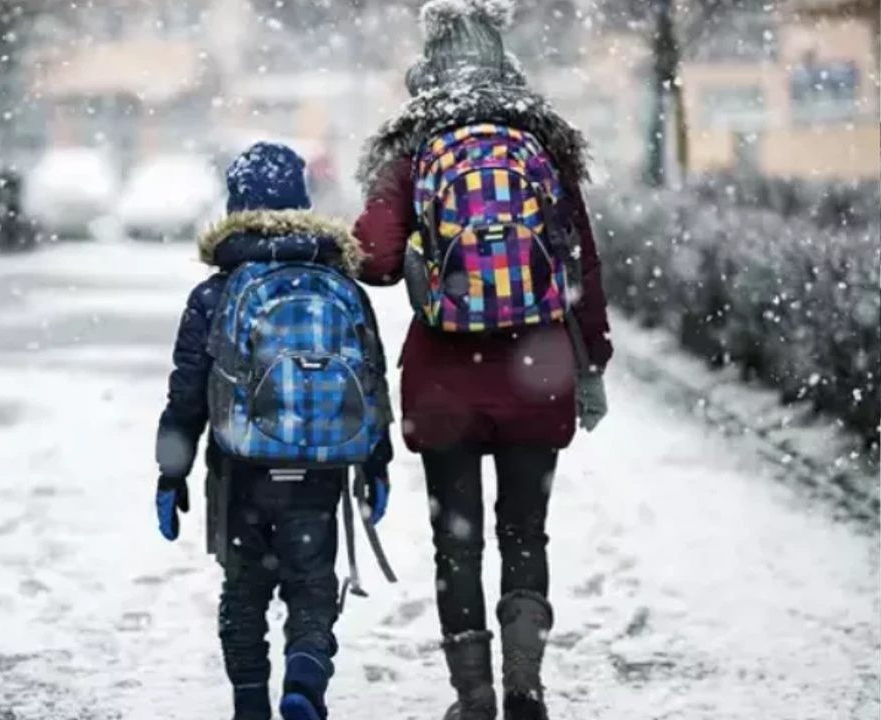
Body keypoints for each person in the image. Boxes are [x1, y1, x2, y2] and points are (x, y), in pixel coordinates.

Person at [352, 2, 613, 719]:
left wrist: (414, 256)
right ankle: (526, 689)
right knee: (525, 533)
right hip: (540, 370)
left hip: (445, 382)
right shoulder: (542, 146)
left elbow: (371, 260)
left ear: (428, 66)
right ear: (503, 59)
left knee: (456, 543)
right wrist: (592, 363)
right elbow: (582, 264)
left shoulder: (412, 151)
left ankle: (473, 699)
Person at [155, 142, 393, 720]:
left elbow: (187, 392)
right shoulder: (339, 283)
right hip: (320, 468)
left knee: (244, 592)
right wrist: (376, 463)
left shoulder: (215, 292)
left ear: (236, 205)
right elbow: (371, 379)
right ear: (303, 203)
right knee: (312, 584)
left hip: (241, 469)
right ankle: (306, 678)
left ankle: (249, 706)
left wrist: (171, 472)